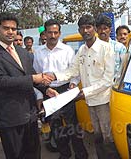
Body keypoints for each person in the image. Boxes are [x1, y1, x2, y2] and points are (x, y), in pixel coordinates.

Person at [48, 14, 120, 159]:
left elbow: (108, 80)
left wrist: (84, 92)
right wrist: (55, 76)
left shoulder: (106, 49)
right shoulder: (82, 50)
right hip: (89, 101)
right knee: (97, 134)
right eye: (82, 28)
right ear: (79, 30)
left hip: (103, 100)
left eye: (88, 27)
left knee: (107, 136)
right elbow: (73, 71)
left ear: (94, 29)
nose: (85, 30)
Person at [0, 12, 58, 159]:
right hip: (10, 117)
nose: (11, 32)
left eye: (13, 28)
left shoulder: (21, 51)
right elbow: (0, 81)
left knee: (34, 153)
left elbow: (32, 74)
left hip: (30, 114)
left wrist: (46, 89)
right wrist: (33, 78)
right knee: (16, 155)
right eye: (6, 28)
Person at [33, 19, 88, 159]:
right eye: (49, 32)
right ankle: (64, 154)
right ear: (44, 33)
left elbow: (76, 71)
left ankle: (81, 154)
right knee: (55, 126)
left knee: (72, 125)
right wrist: (40, 95)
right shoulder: (38, 53)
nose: (52, 35)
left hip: (66, 90)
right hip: (48, 92)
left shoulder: (67, 50)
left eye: (55, 32)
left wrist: (74, 83)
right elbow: (36, 77)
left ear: (59, 33)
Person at [96, 14, 127, 79]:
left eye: (105, 28)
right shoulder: (92, 48)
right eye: (100, 29)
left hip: (114, 85)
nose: (102, 31)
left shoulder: (119, 48)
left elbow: (125, 68)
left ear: (110, 29)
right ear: (96, 30)